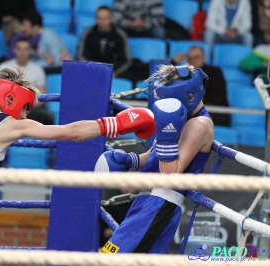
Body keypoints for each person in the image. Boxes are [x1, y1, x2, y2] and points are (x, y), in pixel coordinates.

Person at [0, 66, 156, 266]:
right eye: (26, 108)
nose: (26, 115)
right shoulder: (10, 124)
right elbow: (71, 133)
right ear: (11, 99)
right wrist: (118, 123)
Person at [96, 64, 214, 254]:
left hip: (161, 203)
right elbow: (152, 157)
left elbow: (169, 173)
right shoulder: (180, 119)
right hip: (146, 199)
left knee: (110, 257)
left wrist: (167, 132)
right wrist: (129, 161)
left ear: (190, 95)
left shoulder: (199, 124)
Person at [77, 5, 149, 84]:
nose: (103, 22)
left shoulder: (120, 35)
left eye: (106, 18)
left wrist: (113, 73)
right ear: (95, 19)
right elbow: (81, 55)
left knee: (134, 75)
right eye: (99, 18)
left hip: (114, 72)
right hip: (91, 71)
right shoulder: (87, 33)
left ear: (112, 18)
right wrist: (93, 70)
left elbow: (126, 60)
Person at [0, 38, 54, 125]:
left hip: (31, 109)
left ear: (30, 51)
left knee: (47, 118)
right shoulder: (4, 68)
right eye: (19, 49)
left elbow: (41, 96)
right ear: (14, 50)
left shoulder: (38, 69)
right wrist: (14, 107)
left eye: (26, 49)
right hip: (9, 108)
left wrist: (26, 108)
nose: (22, 53)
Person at [172, 46, 231, 127]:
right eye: (189, 58)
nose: (193, 60)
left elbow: (218, 96)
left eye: (196, 57)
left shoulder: (215, 72)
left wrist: (194, 101)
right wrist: (173, 61)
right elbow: (160, 76)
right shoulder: (185, 74)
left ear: (204, 57)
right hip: (193, 112)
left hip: (214, 112)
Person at [6, 11, 72, 69]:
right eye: (22, 25)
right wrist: (42, 63)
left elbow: (56, 62)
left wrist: (33, 65)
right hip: (43, 69)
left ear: (35, 27)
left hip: (63, 70)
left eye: (25, 26)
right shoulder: (27, 38)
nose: (22, 28)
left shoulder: (49, 36)